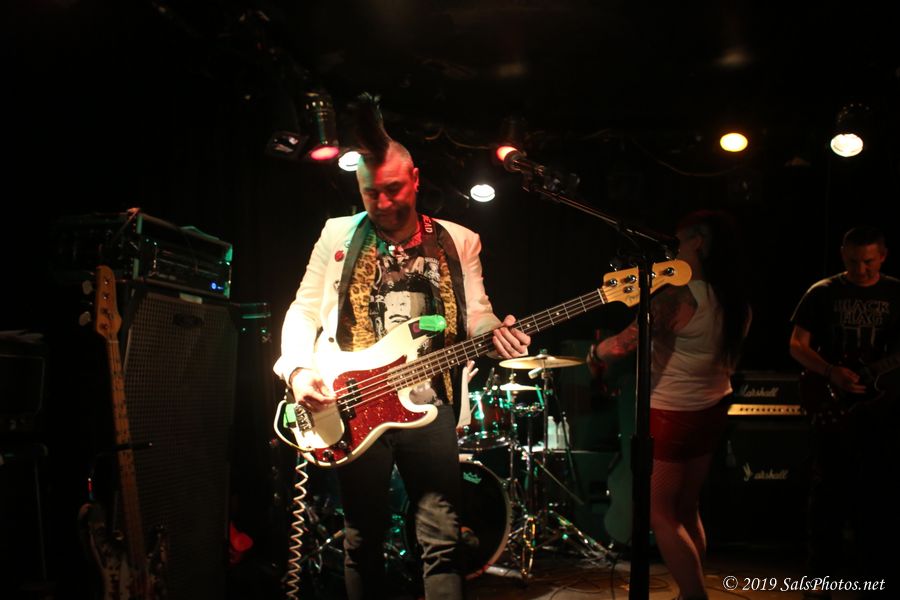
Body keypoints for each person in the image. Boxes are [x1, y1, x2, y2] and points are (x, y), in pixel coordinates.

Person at [273, 131, 530, 600]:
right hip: (352, 400)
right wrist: (297, 370)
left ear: (415, 179)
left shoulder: (459, 240)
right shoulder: (337, 234)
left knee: (443, 539)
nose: (383, 202)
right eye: (371, 192)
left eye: (393, 188)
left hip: (430, 401)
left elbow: (476, 314)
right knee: (362, 539)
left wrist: (497, 333)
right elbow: (304, 310)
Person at [587, 209, 752, 600]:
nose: (671, 251)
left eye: (678, 243)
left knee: (659, 513)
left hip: (671, 414)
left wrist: (594, 353)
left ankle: (694, 596)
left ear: (698, 242)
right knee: (688, 507)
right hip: (712, 408)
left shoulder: (679, 297)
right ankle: (688, 591)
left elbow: (622, 345)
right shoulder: (737, 301)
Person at [789, 226, 900, 598]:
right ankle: (818, 581)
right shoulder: (822, 292)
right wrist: (830, 371)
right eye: (853, 261)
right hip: (834, 410)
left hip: (884, 412)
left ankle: (875, 581)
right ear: (842, 254)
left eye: (868, 261)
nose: (861, 269)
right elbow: (797, 345)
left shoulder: (896, 293)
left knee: (879, 500)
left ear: (883, 256)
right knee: (827, 500)